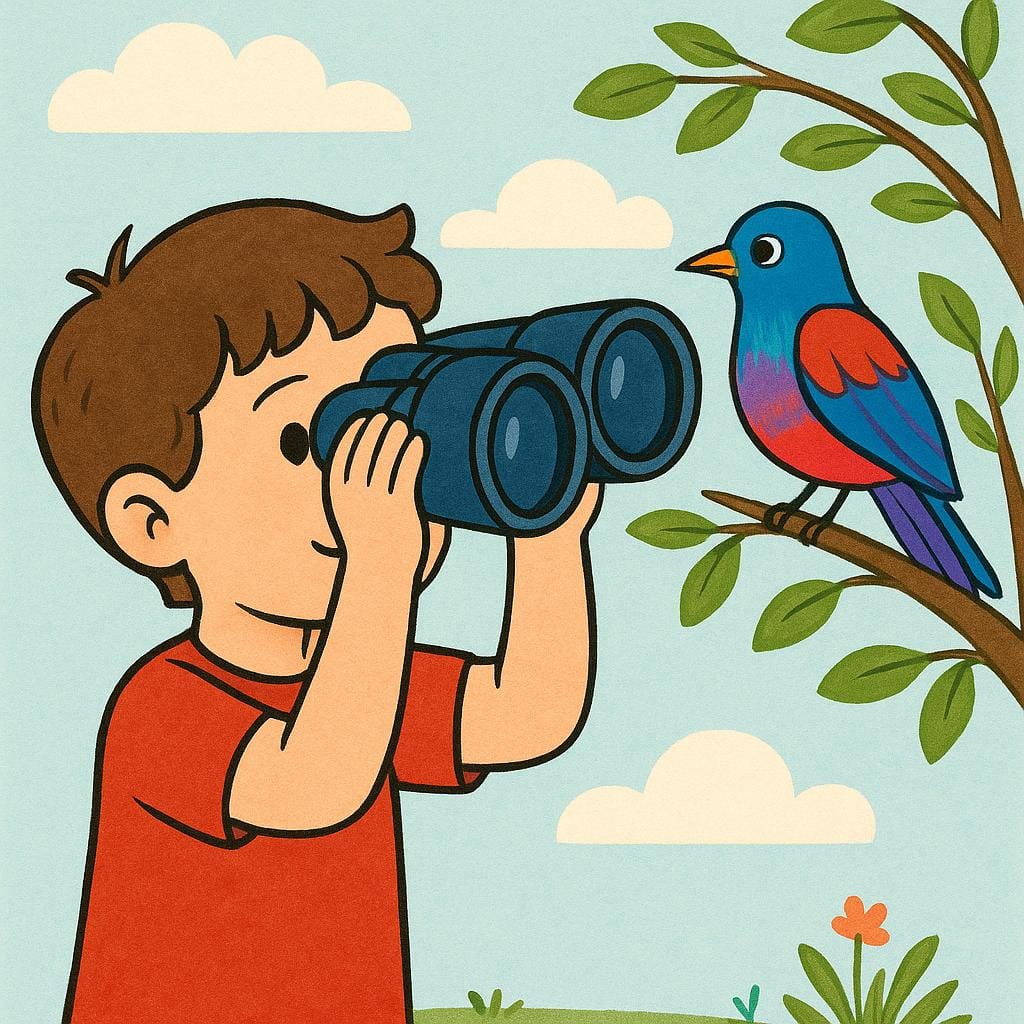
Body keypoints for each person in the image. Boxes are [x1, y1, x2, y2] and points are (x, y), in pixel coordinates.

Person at [32, 199, 601, 1024]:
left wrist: (548, 533)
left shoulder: (361, 683)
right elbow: (317, 781)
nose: (375, 476)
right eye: (309, 442)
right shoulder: (161, 712)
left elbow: (528, 715)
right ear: (154, 522)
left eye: (401, 414)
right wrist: (377, 566)